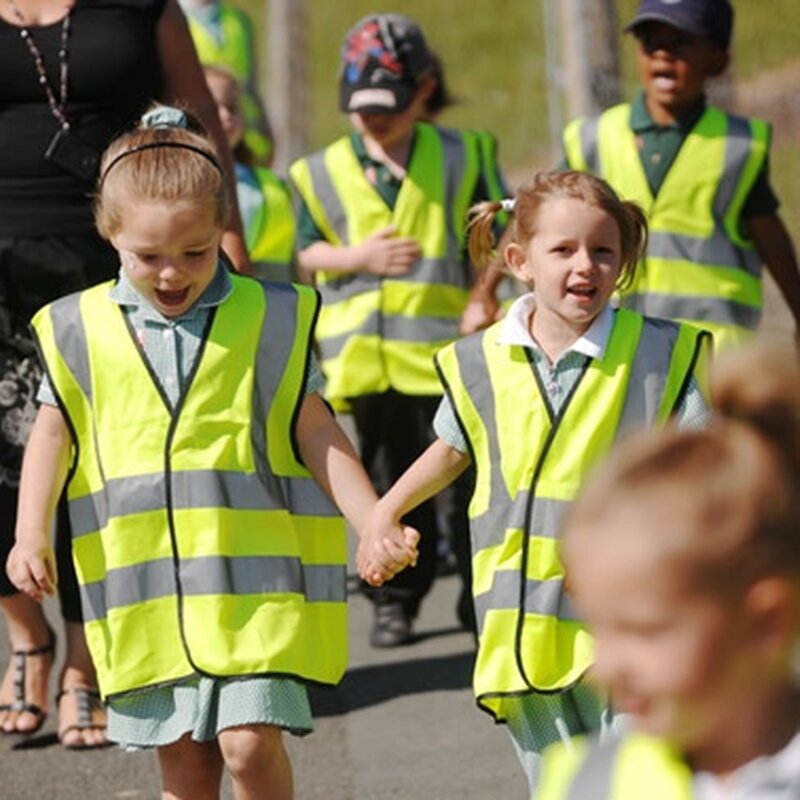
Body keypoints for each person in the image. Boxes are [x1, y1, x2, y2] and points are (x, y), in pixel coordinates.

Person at [6, 106, 416, 800]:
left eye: (195, 253)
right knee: (188, 770)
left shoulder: (270, 316)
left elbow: (315, 430)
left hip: (254, 594)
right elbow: (52, 433)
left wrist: (373, 519)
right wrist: (30, 534)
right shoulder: (77, 328)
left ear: (223, 227)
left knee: (248, 746)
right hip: (148, 597)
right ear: (110, 233)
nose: (172, 274)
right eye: (148, 257)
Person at [362, 170, 713, 793]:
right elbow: (451, 449)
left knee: (641, 782)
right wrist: (383, 513)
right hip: (521, 622)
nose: (586, 266)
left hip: (626, 619)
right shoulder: (478, 360)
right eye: (564, 250)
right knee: (563, 786)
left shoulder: (661, 354)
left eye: (603, 251)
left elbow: (707, 465)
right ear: (519, 262)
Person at [0, 0, 247, 748]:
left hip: (122, 259)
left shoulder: (141, 4)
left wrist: (226, 235)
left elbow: (199, 116)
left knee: (95, 466)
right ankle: (26, 635)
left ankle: (85, 660)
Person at [289, 13, 508, 648]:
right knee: (387, 484)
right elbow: (306, 250)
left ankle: (477, 599)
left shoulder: (466, 154)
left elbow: (498, 236)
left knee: (465, 482)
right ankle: (395, 600)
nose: (375, 120)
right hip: (366, 360)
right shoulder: (317, 171)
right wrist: (357, 257)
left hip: (446, 353)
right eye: (362, 110)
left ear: (424, 90)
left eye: (388, 107)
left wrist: (483, 297)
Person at [536, 341, 800, 799]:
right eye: (599, 627)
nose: (604, 667)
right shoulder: (588, 781)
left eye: (644, 631)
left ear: (766, 623)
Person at [562, 0, 800, 352]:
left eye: (681, 43)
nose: (663, 54)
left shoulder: (737, 146)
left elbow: (770, 235)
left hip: (711, 350)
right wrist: (485, 293)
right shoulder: (596, 137)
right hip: (619, 346)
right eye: (650, 42)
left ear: (718, 59)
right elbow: (537, 214)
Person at [204, 64, 296, 283]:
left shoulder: (271, 184)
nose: (225, 116)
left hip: (270, 298)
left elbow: (296, 262)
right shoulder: (175, 185)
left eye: (232, 108)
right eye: (212, 108)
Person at [180, 0, 274, 166]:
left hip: (242, 136)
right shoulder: (170, 19)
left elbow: (251, 84)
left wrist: (265, 131)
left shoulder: (239, 20)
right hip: (196, 133)